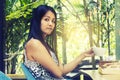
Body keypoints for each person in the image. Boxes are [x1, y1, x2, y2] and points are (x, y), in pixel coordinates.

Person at [23, 5, 94, 80]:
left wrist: (83, 55)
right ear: (37, 21)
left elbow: (62, 70)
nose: (51, 24)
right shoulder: (34, 44)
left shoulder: (44, 44)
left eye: (53, 21)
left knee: (85, 76)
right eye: (46, 19)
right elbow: (58, 73)